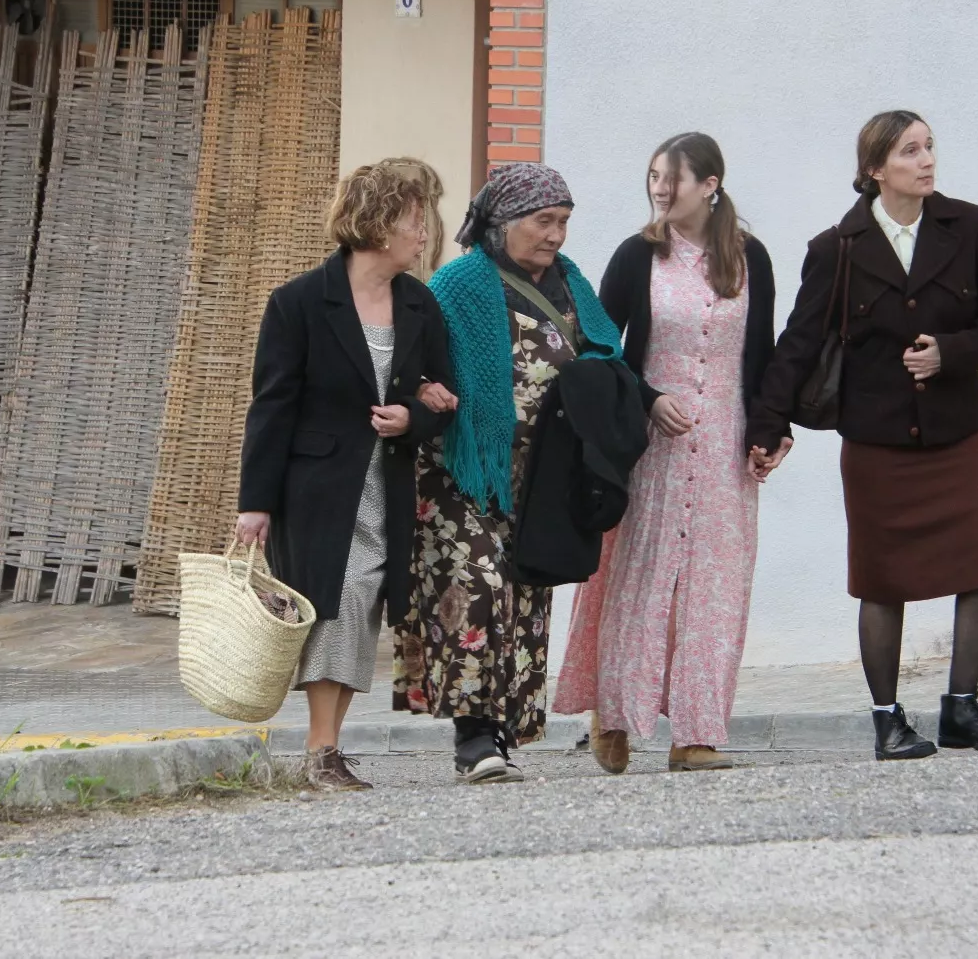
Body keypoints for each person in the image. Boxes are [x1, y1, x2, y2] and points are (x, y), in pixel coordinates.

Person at [747, 110, 978, 760]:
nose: (928, 160)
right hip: (877, 441)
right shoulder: (837, 248)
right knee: (883, 580)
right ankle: (888, 720)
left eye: (930, 147)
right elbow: (798, 344)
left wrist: (950, 353)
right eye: (911, 151)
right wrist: (769, 424)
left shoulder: (968, 225)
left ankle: (962, 708)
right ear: (876, 168)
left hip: (960, 428)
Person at [392, 162, 625, 784]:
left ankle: (503, 729)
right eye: (543, 221)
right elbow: (413, 360)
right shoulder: (460, 283)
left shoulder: (571, 281)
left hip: (544, 473)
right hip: (465, 469)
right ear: (502, 222)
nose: (556, 235)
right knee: (475, 589)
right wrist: (426, 393)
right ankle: (473, 738)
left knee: (525, 592)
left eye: (564, 222)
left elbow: (606, 351)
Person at [555, 132, 778, 773]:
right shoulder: (636, 256)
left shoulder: (749, 257)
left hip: (725, 447)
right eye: (653, 174)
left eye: (673, 176)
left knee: (716, 588)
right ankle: (616, 713)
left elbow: (759, 353)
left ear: (709, 185)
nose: (660, 186)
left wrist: (770, 431)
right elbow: (599, 348)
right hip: (652, 445)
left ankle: (697, 735)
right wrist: (650, 398)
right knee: (640, 578)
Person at [236, 162, 456, 790]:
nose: (424, 232)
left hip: (388, 488)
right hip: (320, 490)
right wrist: (256, 503)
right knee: (342, 601)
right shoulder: (299, 301)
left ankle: (324, 751)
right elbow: (271, 407)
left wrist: (411, 418)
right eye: (417, 219)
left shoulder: (419, 301)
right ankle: (321, 749)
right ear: (381, 222)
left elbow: (442, 398)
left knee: (360, 609)